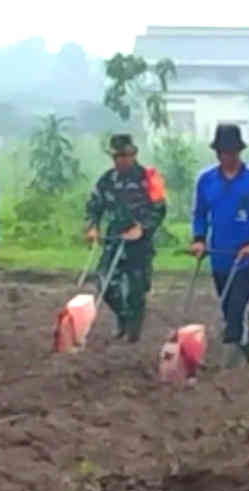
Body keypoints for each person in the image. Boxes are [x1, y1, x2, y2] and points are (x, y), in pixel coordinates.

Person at [190, 124, 249, 368]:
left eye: (232, 152)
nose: (227, 157)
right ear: (217, 153)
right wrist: (199, 239)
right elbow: (199, 214)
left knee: (237, 310)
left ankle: (230, 368)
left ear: (239, 152)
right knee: (231, 309)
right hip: (220, 258)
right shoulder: (206, 180)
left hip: (248, 260)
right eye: (223, 152)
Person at [84, 133, 167, 343]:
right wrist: (92, 227)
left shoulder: (149, 178)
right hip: (114, 239)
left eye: (125, 155)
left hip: (139, 243)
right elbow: (93, 206)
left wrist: (142, 228)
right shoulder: (107, 180)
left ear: (133, 154)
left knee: (136, 291)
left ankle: (133, 331)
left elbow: (159, 209)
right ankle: (123, 317)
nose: (121, 160)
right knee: (104, 283)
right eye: (117, 156)